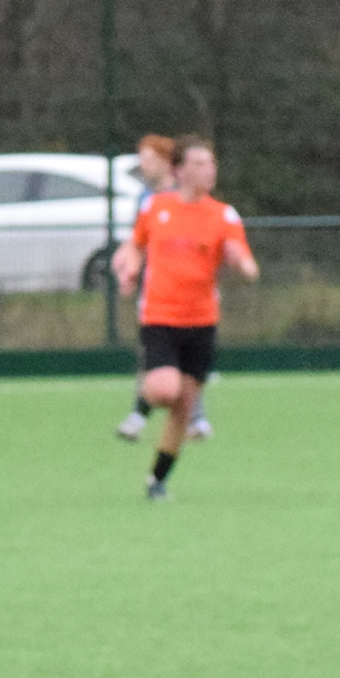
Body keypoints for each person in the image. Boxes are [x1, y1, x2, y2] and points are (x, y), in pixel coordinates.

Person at [121, 136, 257, 500]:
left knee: (183, 408)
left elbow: (248, 265)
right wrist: (129, 268)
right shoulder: (155, 208)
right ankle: (141, 408)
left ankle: (157, 480)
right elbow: (135, 245)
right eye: (198, 164)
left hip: (202, 322)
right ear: (178, 170)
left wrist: (241, 264)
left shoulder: (223, 215)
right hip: (161, 317)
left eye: (211, 163)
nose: (208, 170)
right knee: (166, 389)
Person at [111, 135, 217, 443]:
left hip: (191, 296)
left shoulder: (185, 195)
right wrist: (128, 266)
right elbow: (138, 241)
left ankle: (193, 418)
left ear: (165, 162)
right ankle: (143, 415)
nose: (143, 164)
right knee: (156, 361)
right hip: (157, 294)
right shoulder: (145, 198)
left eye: (148, 158)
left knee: (188, 363)